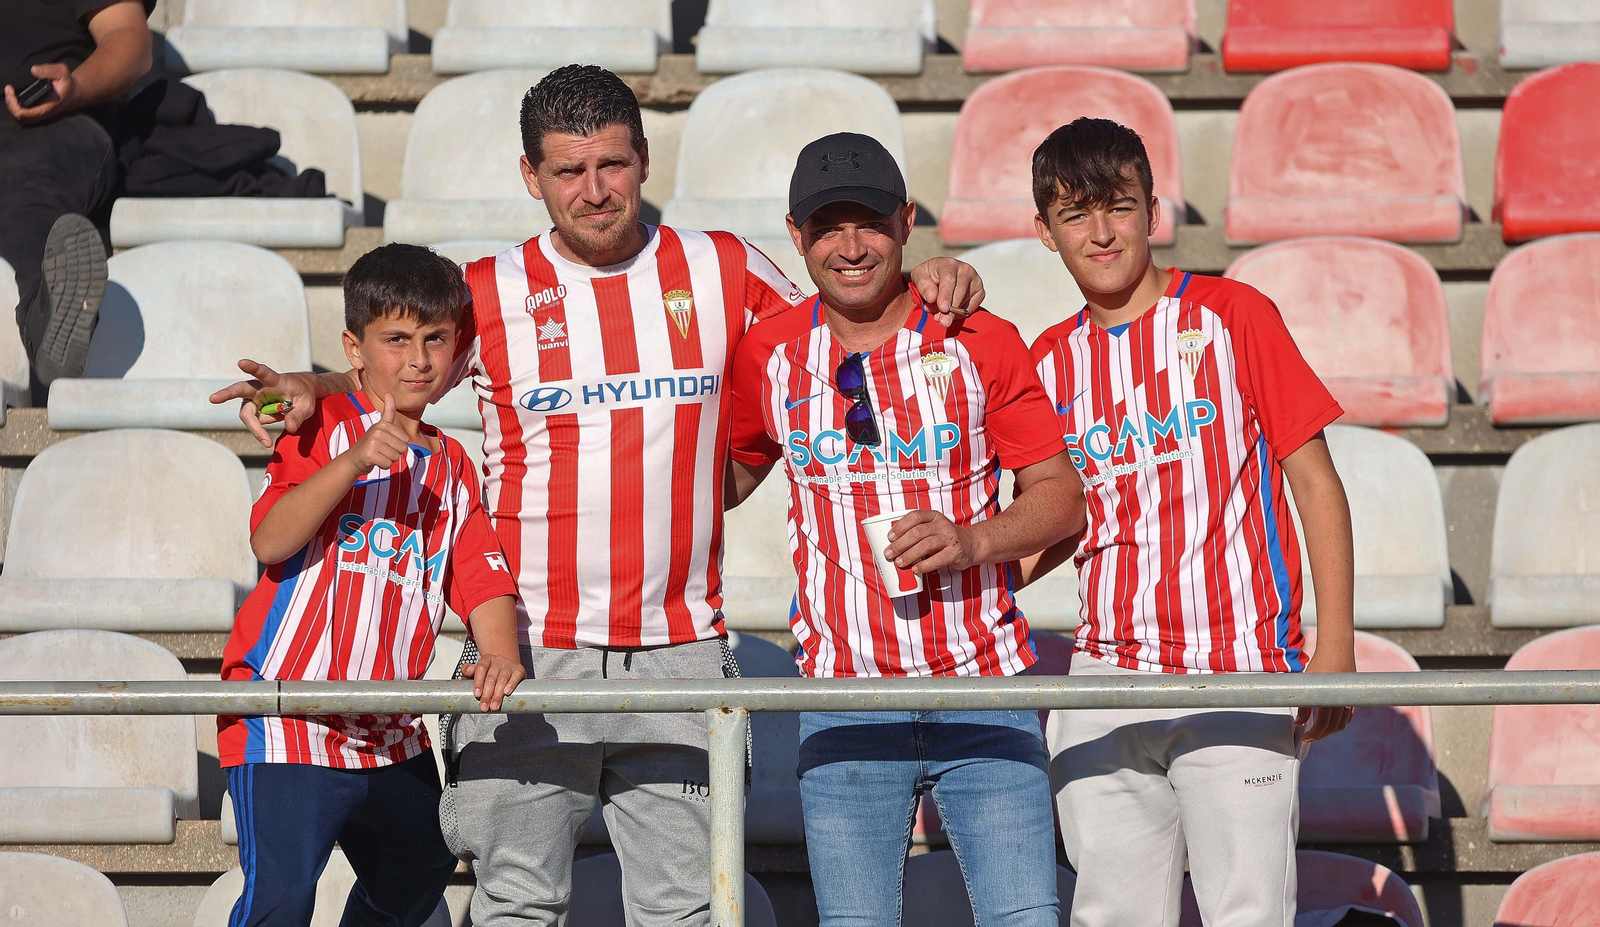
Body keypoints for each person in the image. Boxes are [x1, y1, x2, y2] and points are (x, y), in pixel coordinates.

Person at [210, 65, 988, 927]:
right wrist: (317, 384)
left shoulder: (721, 266)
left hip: (681, 647)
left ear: (644, 159)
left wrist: (929, 279)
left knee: (689, 908)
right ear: (530, 176)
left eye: (611, 165)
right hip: (531, 651)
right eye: (568, 171)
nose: (593, 190)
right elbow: (403, 361)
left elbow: (844, 323)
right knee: (516, 905)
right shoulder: (485, 292)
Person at [725, 133, 1086, 927]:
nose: (850, 247)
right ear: (795, 234)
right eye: (827, 226)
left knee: (1026, 919)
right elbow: (727, 481)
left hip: (984, 688)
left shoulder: (979, 336)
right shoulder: (770, 352)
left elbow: (1064, 498)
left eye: (870, 224)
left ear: (906, 220)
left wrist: (972, 539)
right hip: (843, 699)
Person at [1022, 117, 1357, 927]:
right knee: (1110, 914)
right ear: (1044, 231)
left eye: (1119, 207)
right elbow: (1053, 521)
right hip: (1104, 676)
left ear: (1153, 211)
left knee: (1248, 911)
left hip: (1238, 665)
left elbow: (1315, 481)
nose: (1101, 233)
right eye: (1076, 214)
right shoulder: (1045, 360)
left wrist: (1336, 644)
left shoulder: (1233, 315)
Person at [216, 244, 525, 927]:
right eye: (396, 340)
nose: (417, 360)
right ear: (355, 348)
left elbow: (480, 575)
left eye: (434, 339)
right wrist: (354, 459)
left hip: (388, 726)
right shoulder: (320, 424)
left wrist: (500, 649)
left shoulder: (452, 464)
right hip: (287, 718)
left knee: (421, 868)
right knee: (282, 897)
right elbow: (271, 540)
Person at [3, 0, 153, 391]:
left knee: (31, 199)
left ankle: (50, 322)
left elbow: (129, 40)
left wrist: (75, 88)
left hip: (47, 125)